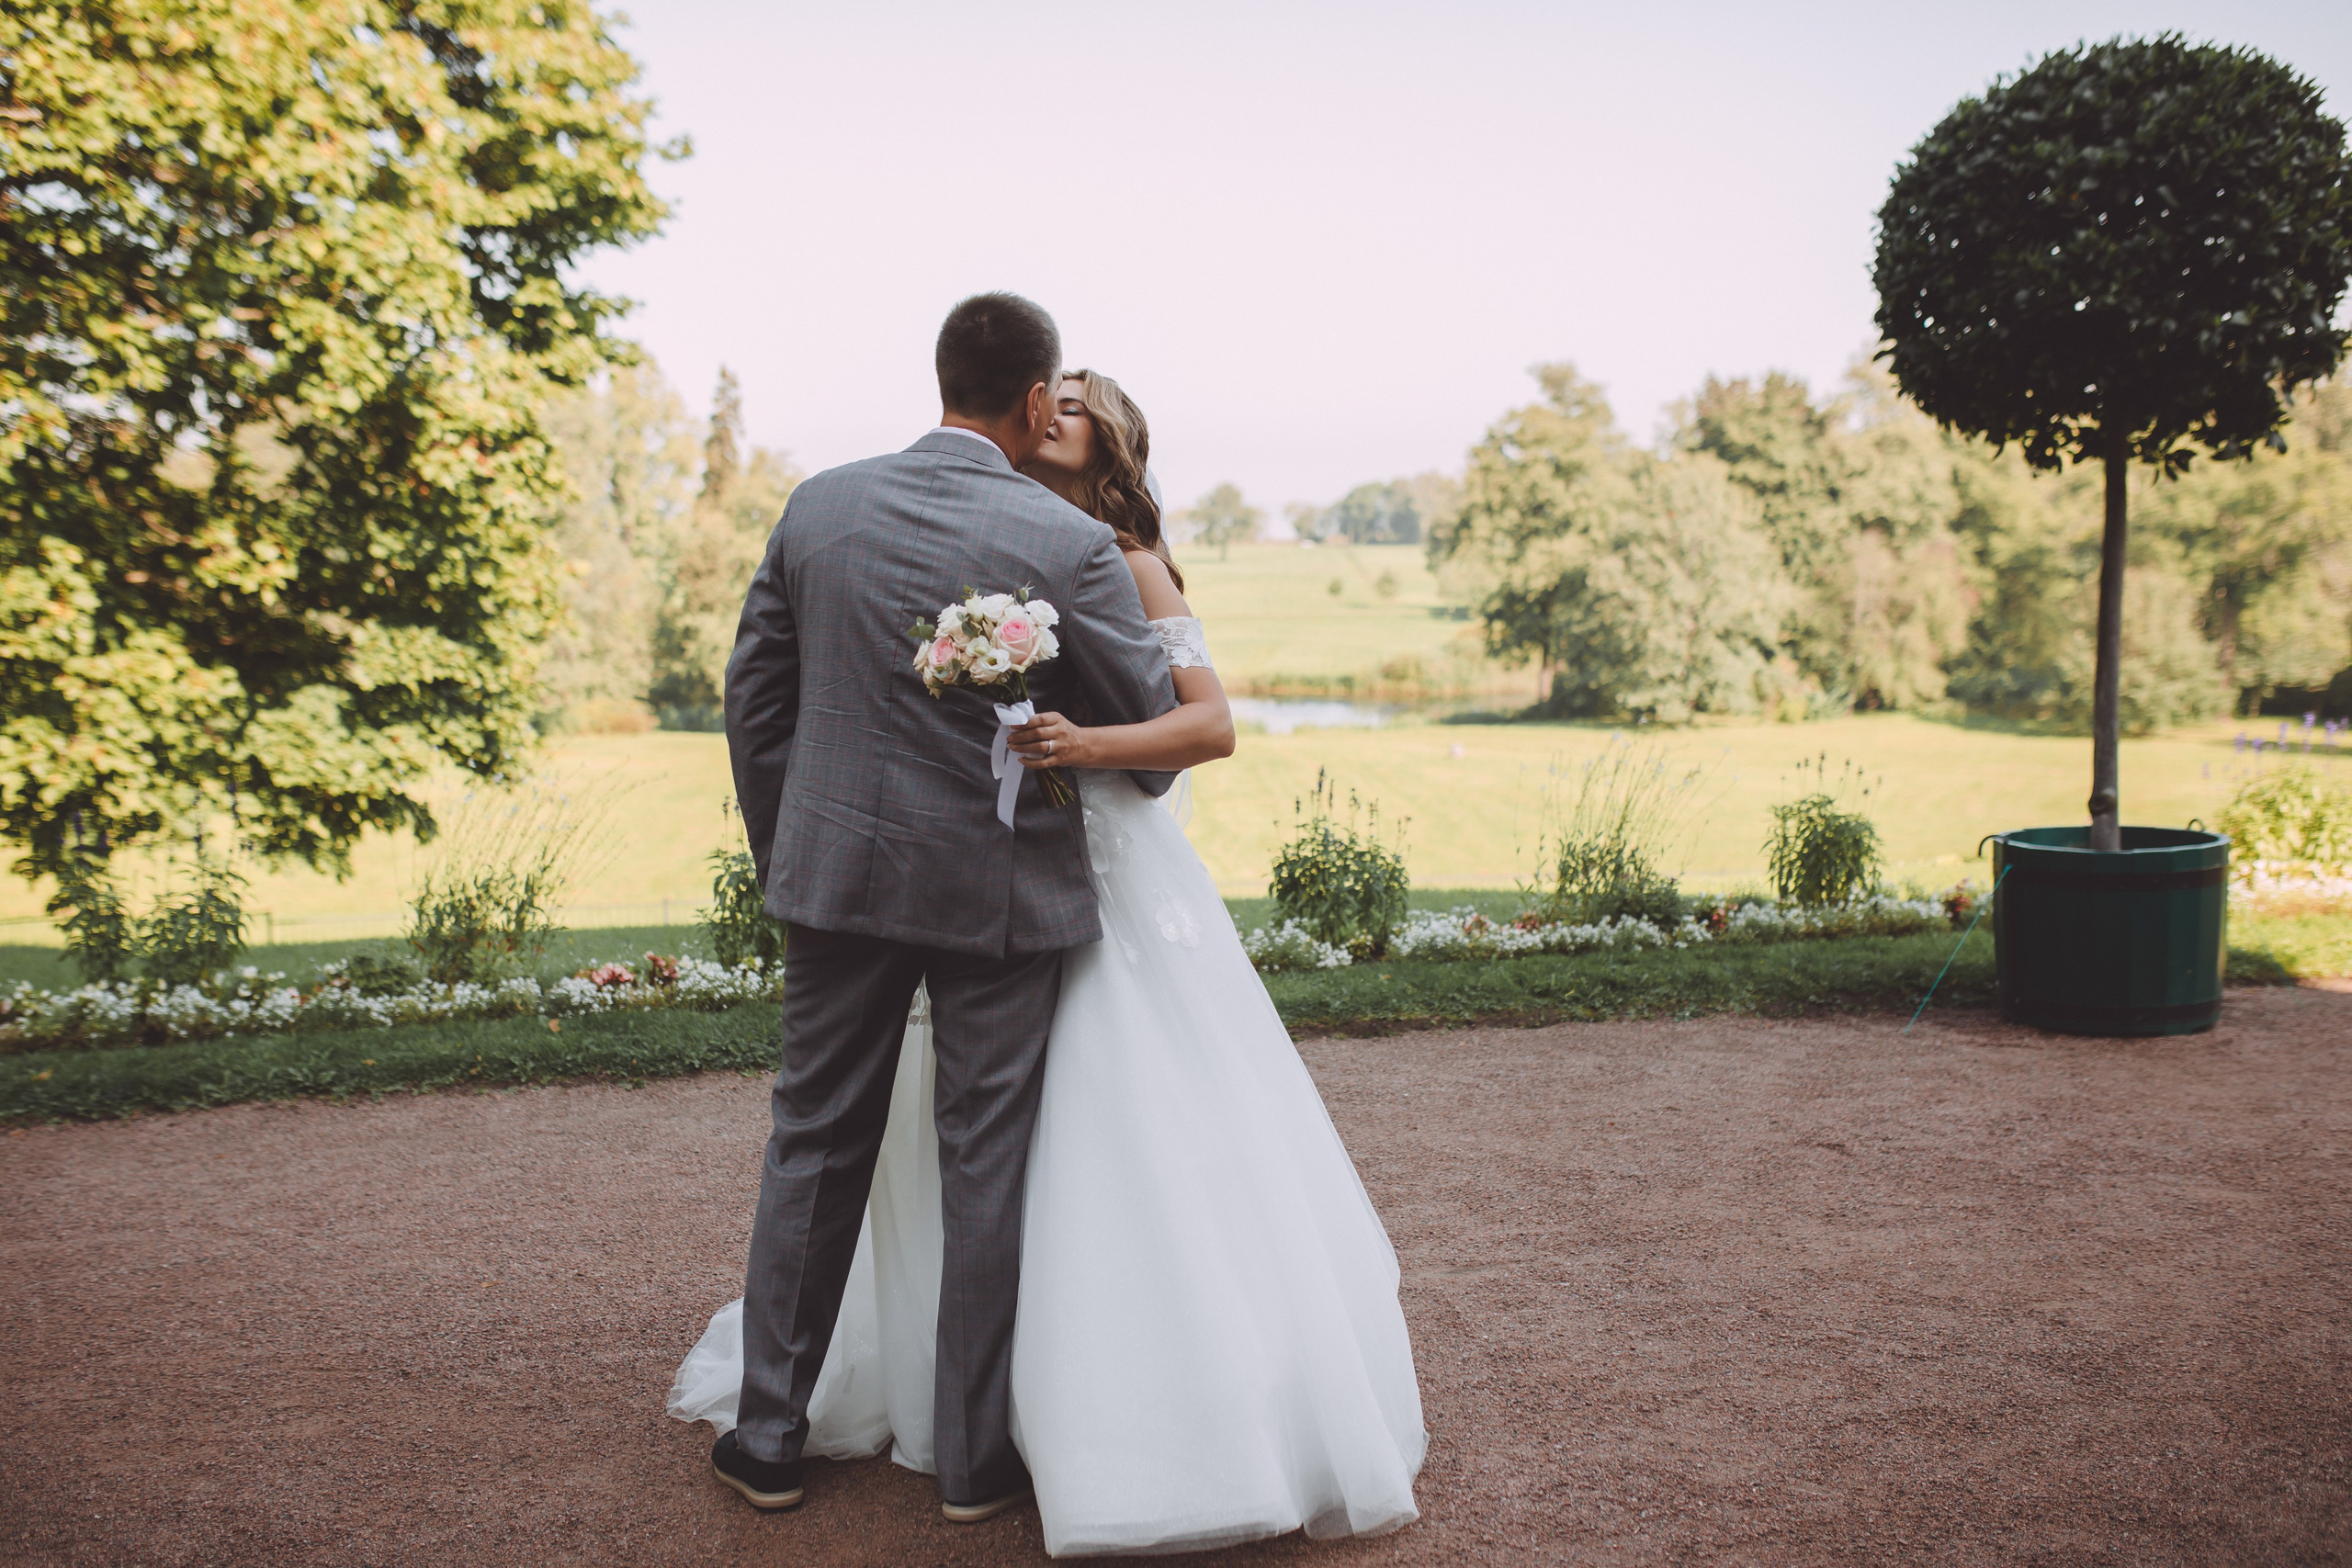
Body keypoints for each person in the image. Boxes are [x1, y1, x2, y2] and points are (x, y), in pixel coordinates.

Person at [682, 321, 1426, 1555]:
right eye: (1058, 393)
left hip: (844, 886)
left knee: (814, 1143)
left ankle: (767, 1441)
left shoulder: (820, 506)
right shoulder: (1068, 544)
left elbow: (757, 699)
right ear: (1032, 400)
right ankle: (974, 1464)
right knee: (984, 1161)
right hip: (1002, 897)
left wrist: (795, 857)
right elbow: (1155, 734)